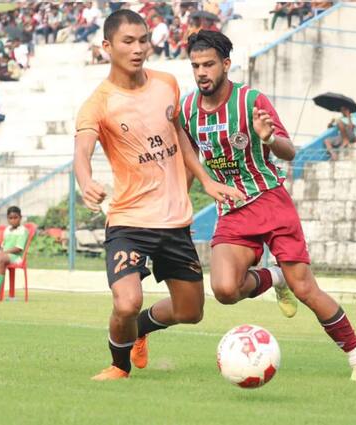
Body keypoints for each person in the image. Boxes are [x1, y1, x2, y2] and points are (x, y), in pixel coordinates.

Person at [180, 30, 356, 381]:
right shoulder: (187, 109)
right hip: (232, 209)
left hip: (271, 201)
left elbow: (291, 151)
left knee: (305, 288)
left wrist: (270, 138)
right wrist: (182, 201)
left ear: (226, 65)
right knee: (225, 290)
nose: (201, 72)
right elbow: (189, 157)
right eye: (196, 65)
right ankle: (274, 277)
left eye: (209, 64)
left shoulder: (250, 100)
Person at [74, 10, 243, 381]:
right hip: (129, 222)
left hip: (174, 221)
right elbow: (82, 152)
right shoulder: (98, 103)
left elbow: (181, 138)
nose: (138, 49)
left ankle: (143, 329)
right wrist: (85, 181)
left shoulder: (167, 83)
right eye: (128, 41)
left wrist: (205, 179)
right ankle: (119, 366)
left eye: (143, 40)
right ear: (107, 47)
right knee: (127, 301)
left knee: (191, 311)